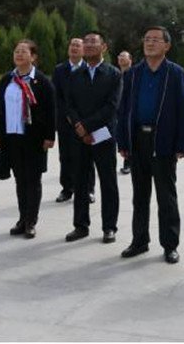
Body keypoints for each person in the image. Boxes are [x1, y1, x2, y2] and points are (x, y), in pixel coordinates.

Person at [117, 27, 184, 264]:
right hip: (137, 140)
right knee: (139, 196)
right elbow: (122, 110)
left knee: (166, 196)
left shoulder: (175, 73)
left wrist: (182, 143)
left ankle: (170, 245)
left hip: (163, 141)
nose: (149, 43)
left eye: (155, 40)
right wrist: (123, 141)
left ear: (167, 46)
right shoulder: (133, 74)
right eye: (147, 39)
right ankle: (139, 241)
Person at [0, 39, 56, 239]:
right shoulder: (7, 79)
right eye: (16, 51)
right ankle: (22, 218)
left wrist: (49, 136)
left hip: (34, 138)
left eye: (23, 51)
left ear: (33, 57)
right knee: (20, 180)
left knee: (33, 180)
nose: (19, 54)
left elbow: (51, 111)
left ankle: (31, 221)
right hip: (12, 137)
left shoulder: (42, 81)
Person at [64, 31, 122, 244]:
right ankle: (80, 225)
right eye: (86, 42)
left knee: (108, 182)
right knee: (80, 181)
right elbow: (69, 104)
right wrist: (79, 127)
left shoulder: (113, 74)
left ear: (103, 47)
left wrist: (87, 127)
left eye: (93, 42)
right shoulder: (75, 74)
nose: (88, 45)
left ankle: (109, 227)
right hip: (79, 137)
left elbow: (112, 106)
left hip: (103, 135)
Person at [51, 37, 96, 204]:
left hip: (84, 122)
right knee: (65, 156)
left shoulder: (89, 69)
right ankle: (67, 188)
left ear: (84, 50)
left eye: (78, 45)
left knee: (87, 156)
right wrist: (68, 115)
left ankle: (89, 189)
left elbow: (92, 96)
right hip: (65, 121)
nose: (74, 48)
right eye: (72, 45)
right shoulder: (59, 70)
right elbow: (57, 96)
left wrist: (81, 119)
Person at [117, 50, 133, 175]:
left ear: (130, 60)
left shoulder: (133, 74)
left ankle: (128, 163)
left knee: (128, 136)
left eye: (124, 56)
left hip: (129, 110)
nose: (121, 58)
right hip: (116, 111)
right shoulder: (116, 74)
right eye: (120, 56)